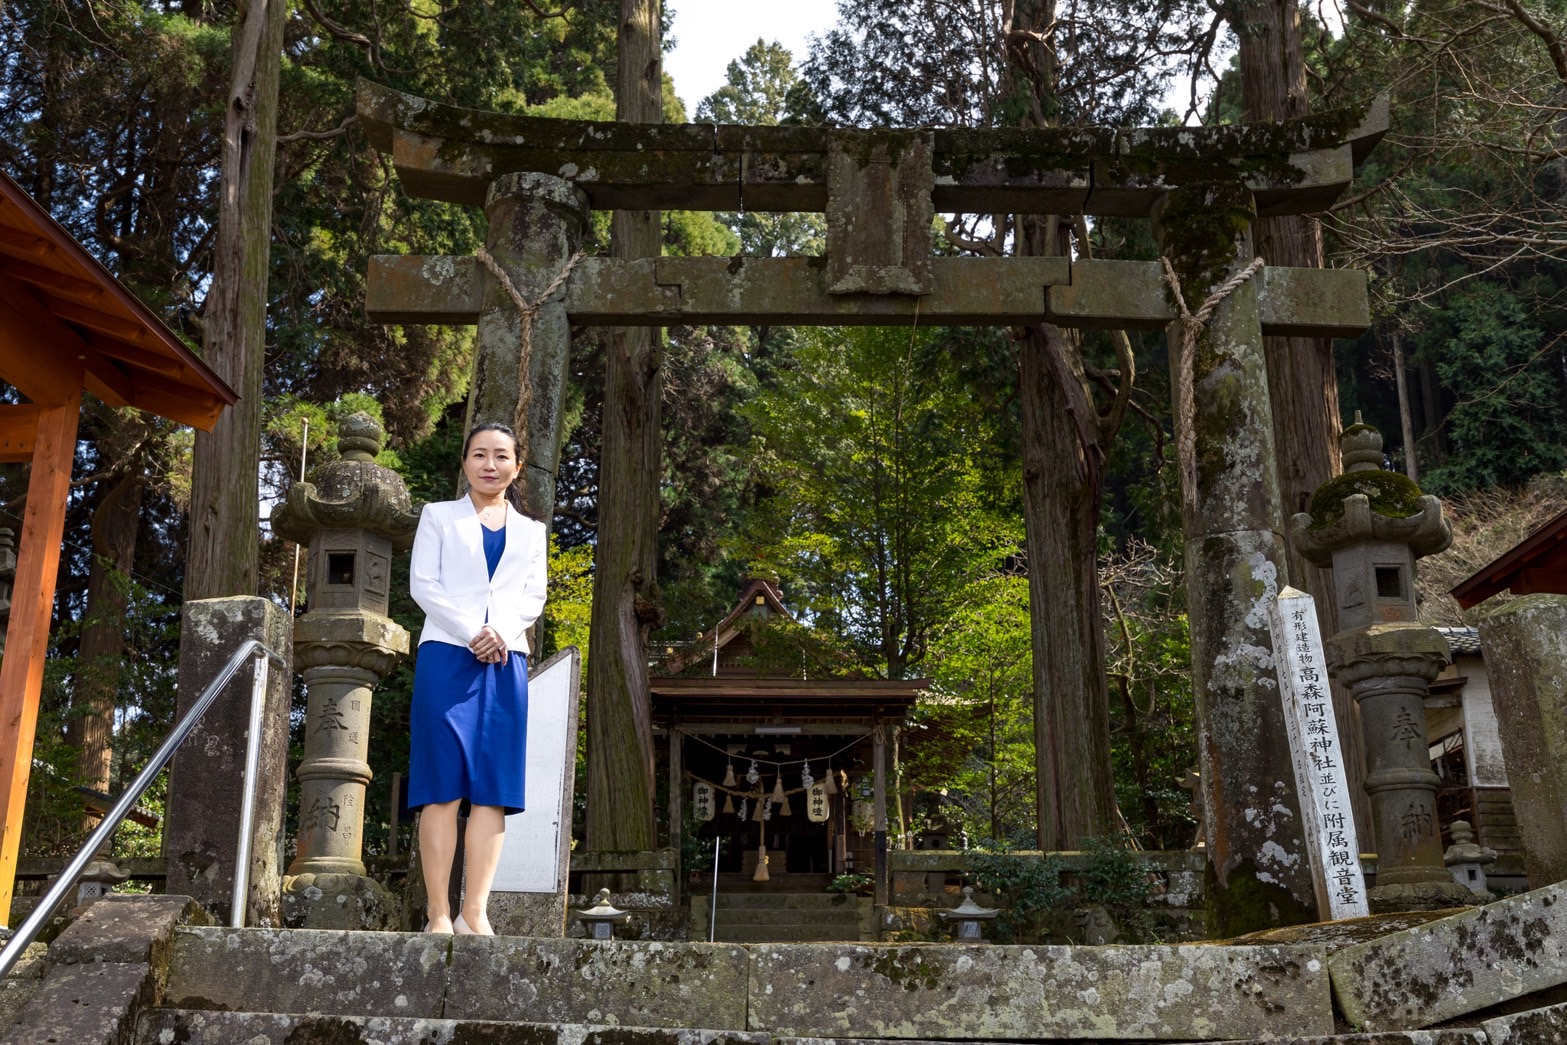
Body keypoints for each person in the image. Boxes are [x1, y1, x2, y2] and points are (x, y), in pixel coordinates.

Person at [407, 421, 547, 935]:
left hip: (505, 660)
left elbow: (534, 596)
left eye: (501, 456)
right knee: (441, 784)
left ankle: (475, 911)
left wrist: (500, 634)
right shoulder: (438, 517)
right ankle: (439, 913)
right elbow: (424, 584)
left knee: (493, 788)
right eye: (480, 455)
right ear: (464, 463)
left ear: (517, 466)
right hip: (446, 654)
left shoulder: (533, 532)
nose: (491, 465)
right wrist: (473, 632)